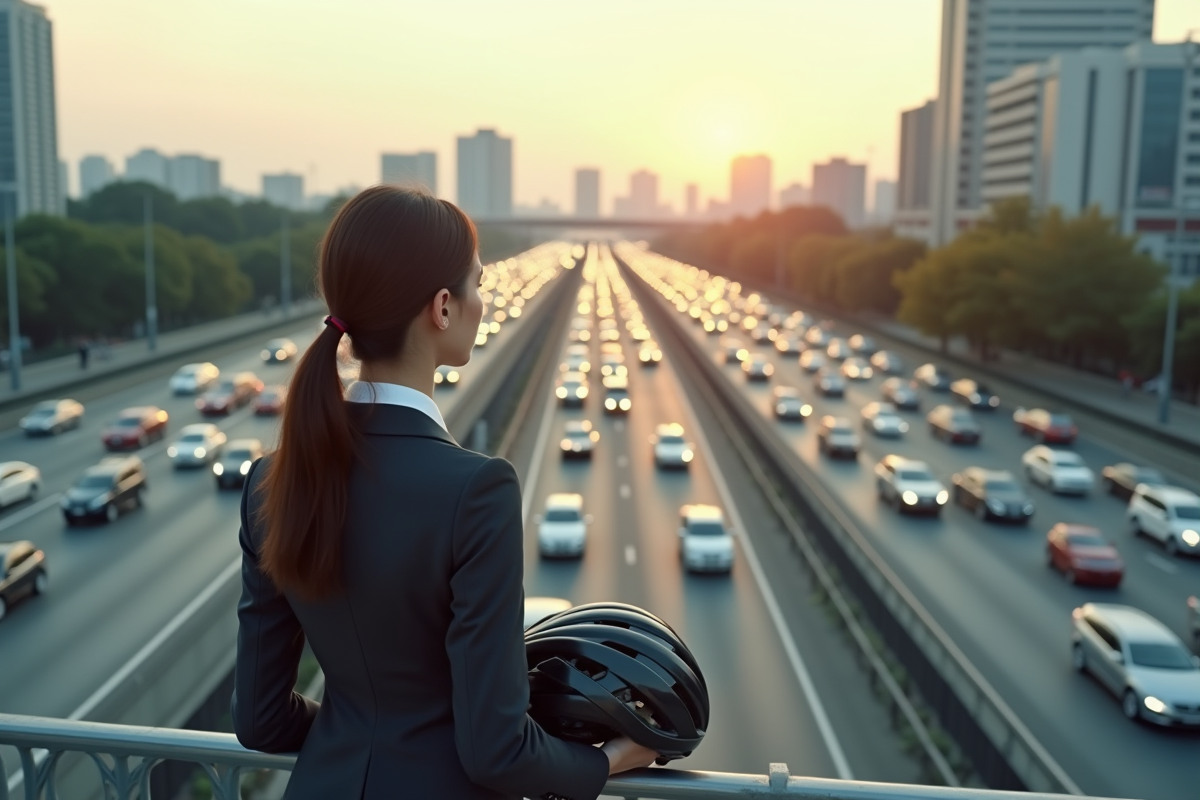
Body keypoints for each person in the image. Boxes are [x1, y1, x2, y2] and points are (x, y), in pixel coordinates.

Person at [232, 186, 657, 800]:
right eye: (477, 286)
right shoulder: (476, 491)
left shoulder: (269, 484)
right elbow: (496, 750)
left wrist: (361, 733)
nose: (482, 302)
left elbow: (258, 720)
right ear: (442, 307)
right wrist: (610, 760)